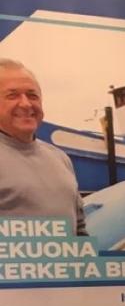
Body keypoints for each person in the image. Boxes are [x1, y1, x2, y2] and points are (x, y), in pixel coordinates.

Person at [0, 59, 85, 234]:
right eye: (12, 95)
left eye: (32, 96)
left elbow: (79, 228)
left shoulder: (60, 158)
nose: (26, 104)